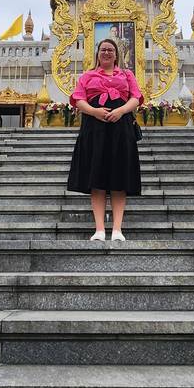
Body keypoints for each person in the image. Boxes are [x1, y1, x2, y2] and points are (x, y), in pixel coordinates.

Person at [67, 37, 143, 241]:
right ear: (97, 54)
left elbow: (136, 97)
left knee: (120, 179)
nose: (107, 53)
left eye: (110, 50)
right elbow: (78, 99)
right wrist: (94, 112)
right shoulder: (87, 76)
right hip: (94, 128)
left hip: (121, 127)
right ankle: (99, 229)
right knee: (97, 179)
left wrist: (120, 111)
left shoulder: (127, 75)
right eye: (103, 50)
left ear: (117, 54)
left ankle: (117, 229)